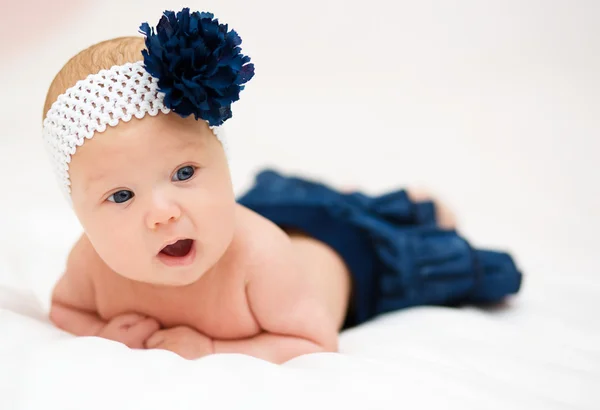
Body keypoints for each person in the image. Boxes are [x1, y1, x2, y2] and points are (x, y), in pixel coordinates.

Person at [44, 8, 521, 364]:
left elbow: (314, 341)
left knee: (420, 250)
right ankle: (344, 197)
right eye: (122, 196)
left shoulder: (260, 260)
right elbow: (65, 311)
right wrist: (104, 335)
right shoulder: (90, 264)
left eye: (185, 173)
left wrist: (211, 349)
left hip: (348, 254)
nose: (164, 212)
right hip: (273, 211)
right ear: (80, 214)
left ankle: (411, 207)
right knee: (298, 202)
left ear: (223, 164)